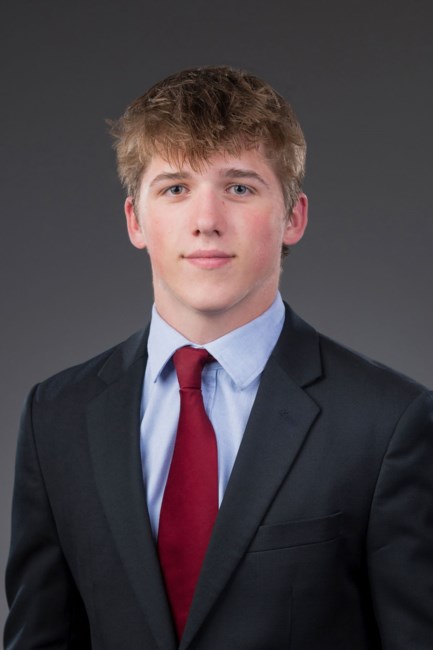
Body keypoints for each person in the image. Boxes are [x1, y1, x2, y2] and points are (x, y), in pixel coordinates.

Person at [4, 65, 433, 650]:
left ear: (293, 217)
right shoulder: (56, 416)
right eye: (175, 188)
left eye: (239, 187)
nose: (206, 222)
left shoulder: (388, 423)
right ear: (135, 221)